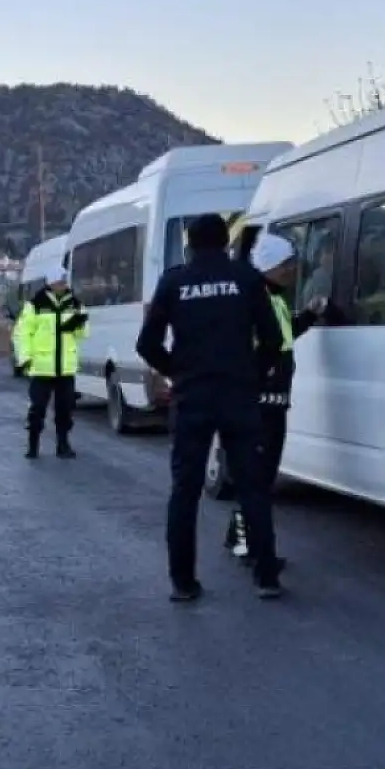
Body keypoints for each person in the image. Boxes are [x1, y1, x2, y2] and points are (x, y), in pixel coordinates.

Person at [136, 212, 286, 601]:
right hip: (239, 397)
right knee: (253, 488)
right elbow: (272, 339)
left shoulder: (174, 282)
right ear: (225, 242)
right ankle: (266, 576)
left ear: (190, 243)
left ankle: (182, 583)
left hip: (192, 398)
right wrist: (253, 375)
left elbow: (146, 345)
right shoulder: (247, 279)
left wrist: (177, 372)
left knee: (185, 491)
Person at [224, 232, 328, 562]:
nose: (292, 270)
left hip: (274, 404)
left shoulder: (276, 299)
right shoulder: (256, 299)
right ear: (269, 266)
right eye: (286, 265)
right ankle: (248, 547)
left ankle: (237, 538)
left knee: (258, 478)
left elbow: (282, 337)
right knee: (257, 480)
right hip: (259, 406)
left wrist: (309, 316)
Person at [14, 265, 88, 459]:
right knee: (37, 408)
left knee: (65, 409)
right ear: (51, 283)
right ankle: (33, 444)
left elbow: (82, 333)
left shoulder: (74, 303)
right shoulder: (35, 305)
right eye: (60, 281)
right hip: (41, 367)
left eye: (65, 281)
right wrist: (25, 359)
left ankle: (63, 444)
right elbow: (23, 333)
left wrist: (78, 323)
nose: (63, 284)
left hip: (65, 367)